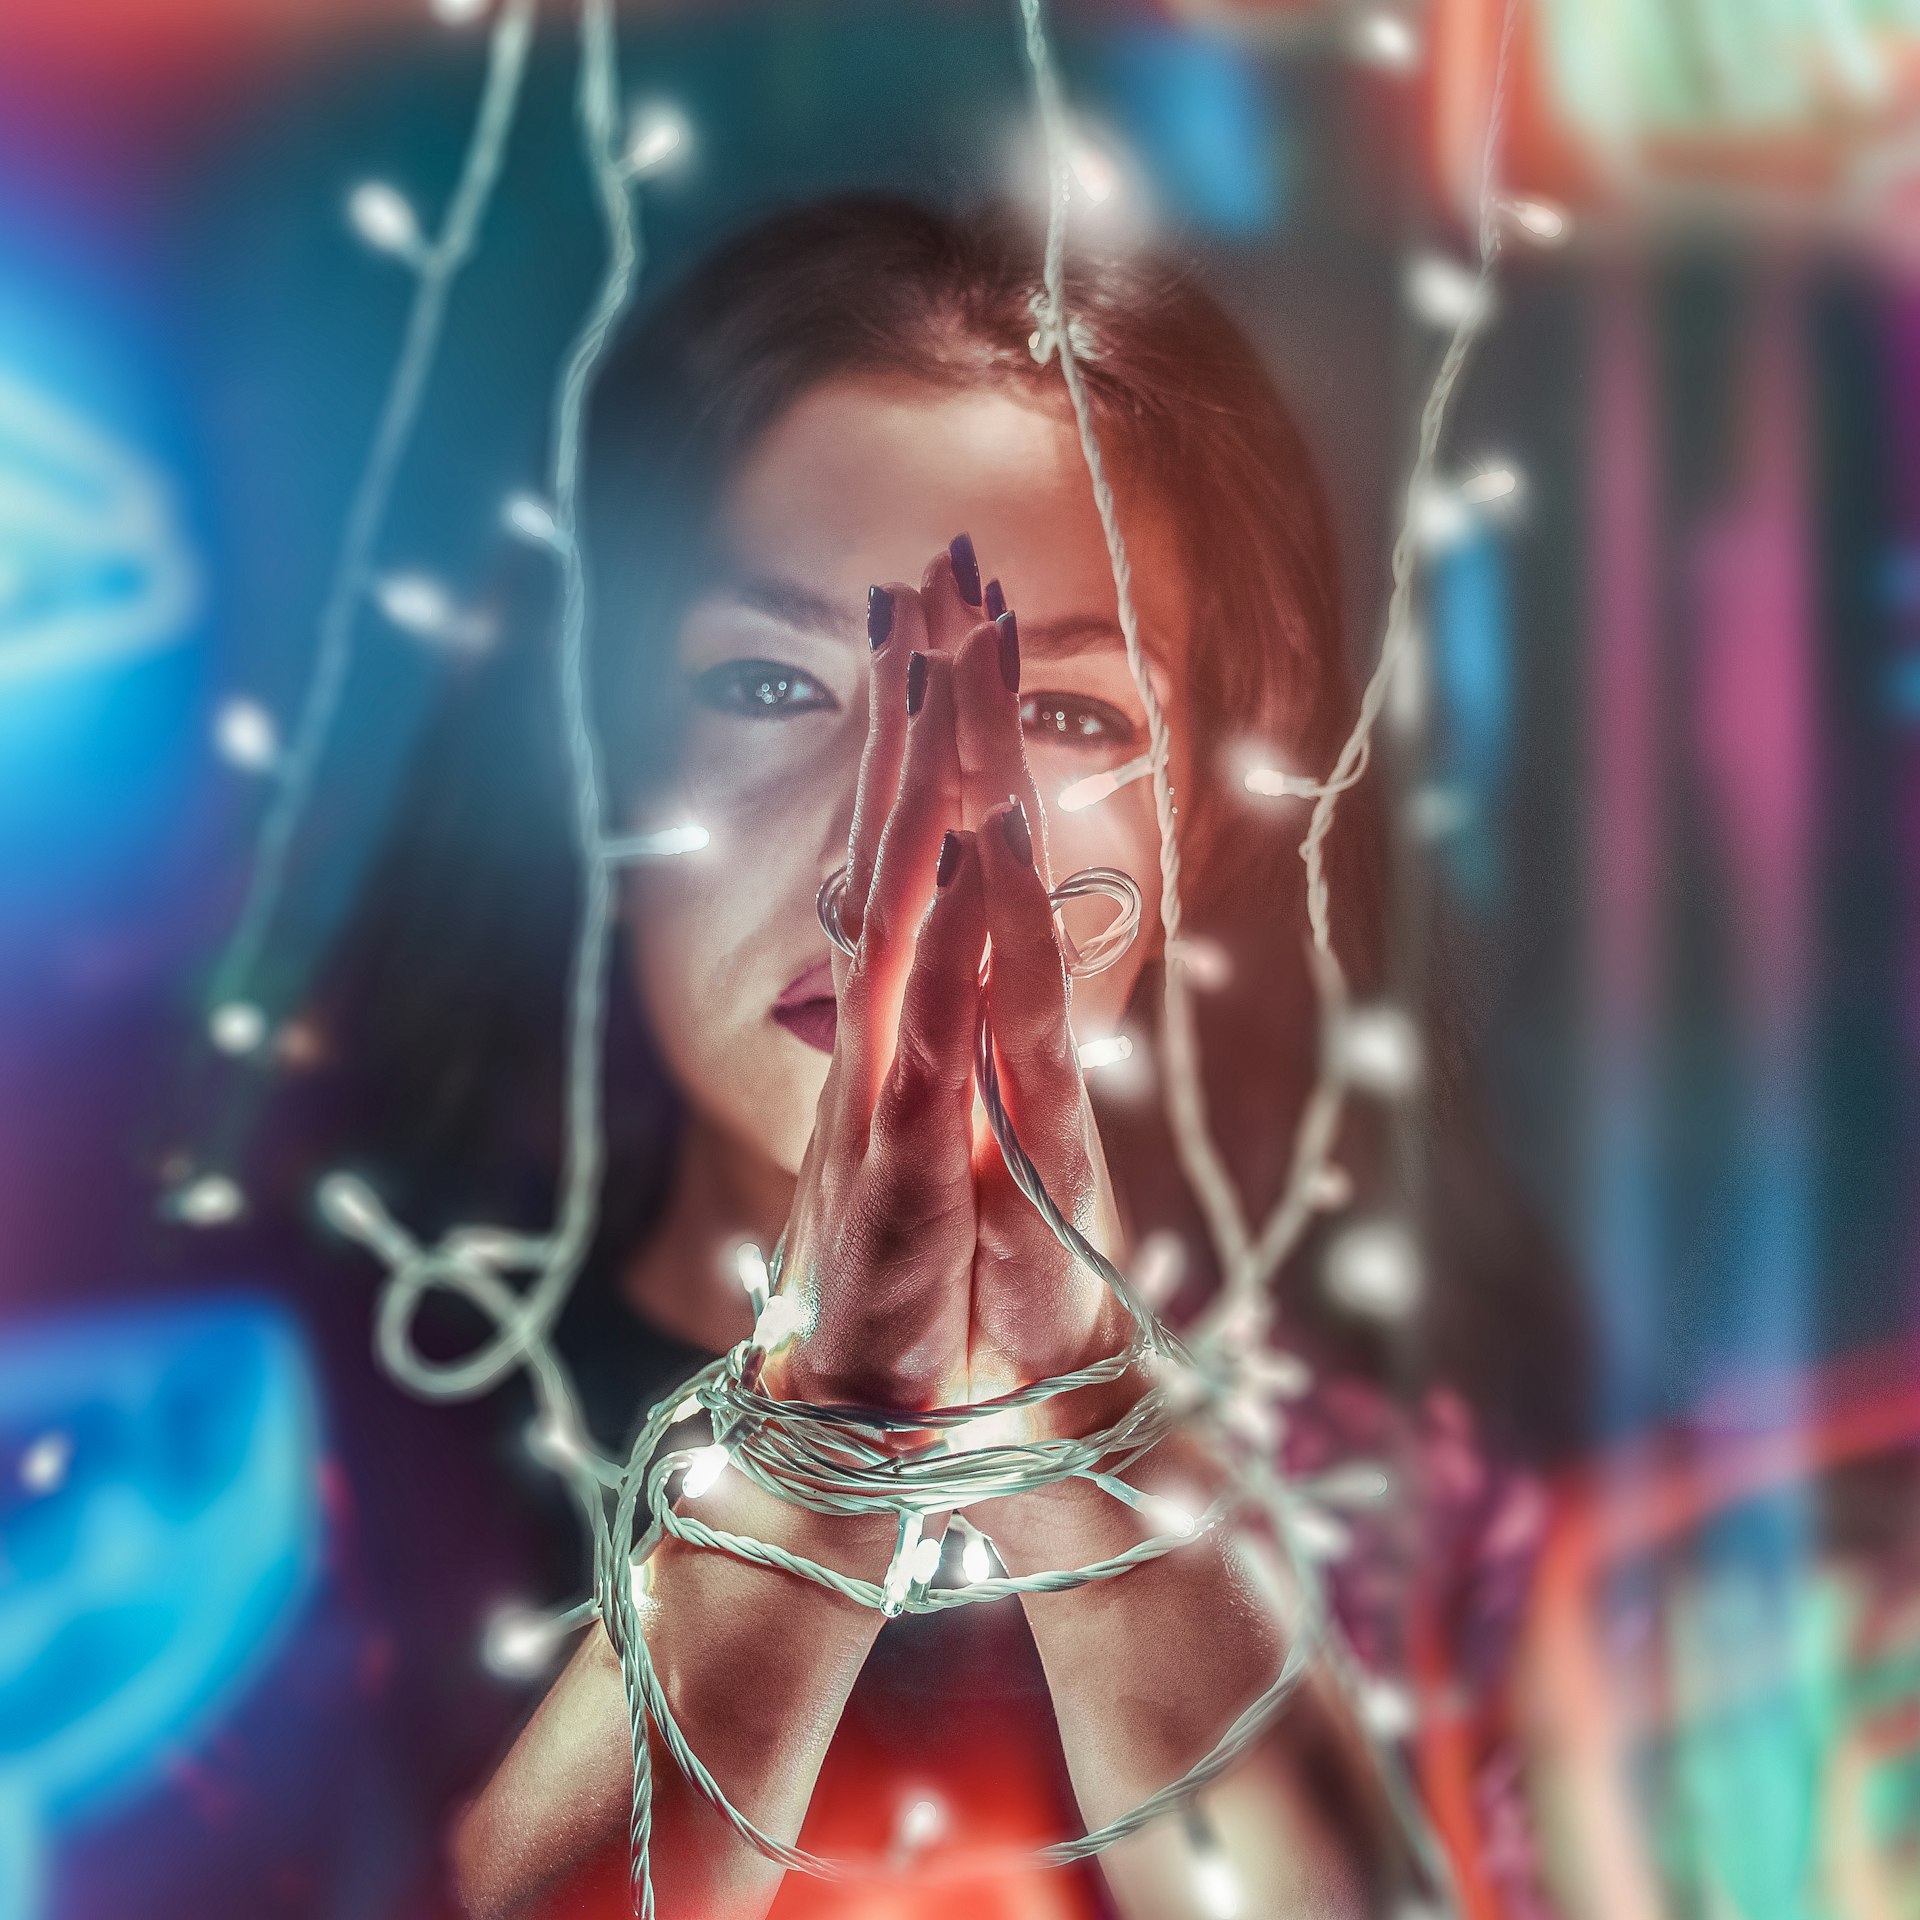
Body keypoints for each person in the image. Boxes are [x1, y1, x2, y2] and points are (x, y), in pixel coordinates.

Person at [307, 196, 1577, 1918]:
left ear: (1207, 821)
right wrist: (828, 1441)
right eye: (765, 686)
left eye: (1054, 717)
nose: (883, 868)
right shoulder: (299, 1455)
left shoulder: (1431, 1525)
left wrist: (1092, 1441)